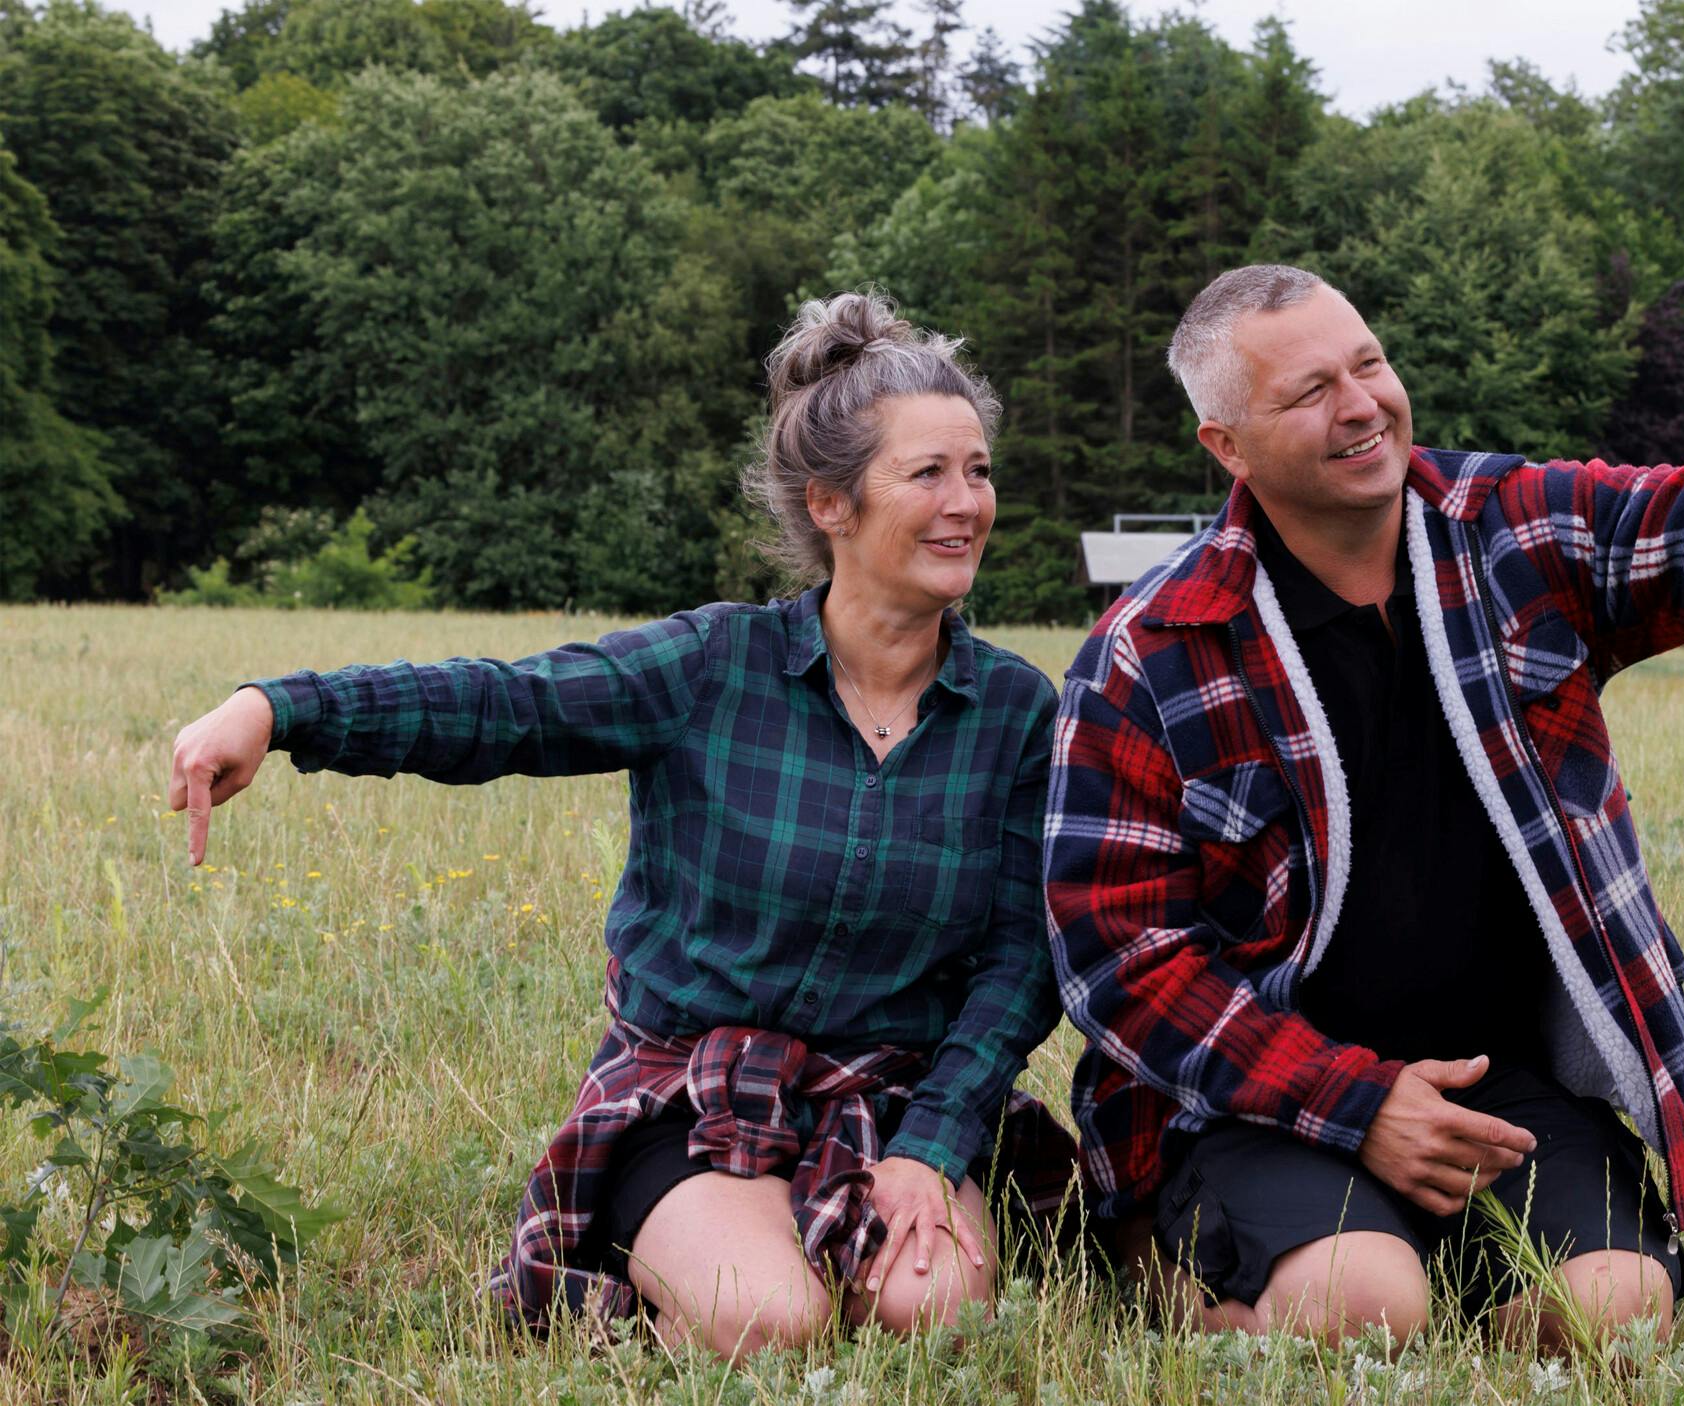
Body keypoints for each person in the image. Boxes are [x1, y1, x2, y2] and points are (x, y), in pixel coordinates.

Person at [1043, 226, 1684, 1351]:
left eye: (1368, 364)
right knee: (1360, 1308)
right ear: (1228, 443)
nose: (1361, 405)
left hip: (1505, 1077)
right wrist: (1357, 1101)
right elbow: (1122, 963)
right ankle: (1184, 1260)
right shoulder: (1150, 652)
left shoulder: (1512, 531)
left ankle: (1428, 1260)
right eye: (1309, 390)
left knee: (1613, 1315)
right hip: (1261, 1103)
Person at [163, 292, 1074, 1361]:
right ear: (832, 502)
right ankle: (646, 1262)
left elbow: (1020, 958)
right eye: (928, 473)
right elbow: (505, 707)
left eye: (978, 469)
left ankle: (845, 1211)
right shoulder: (711, 667)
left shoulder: (1016, 710)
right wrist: (279, 708)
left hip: (897, 1088)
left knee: (934, 1314)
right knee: (772, 1319)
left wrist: (932, 1143)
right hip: (695, 1084)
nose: (966, 501)